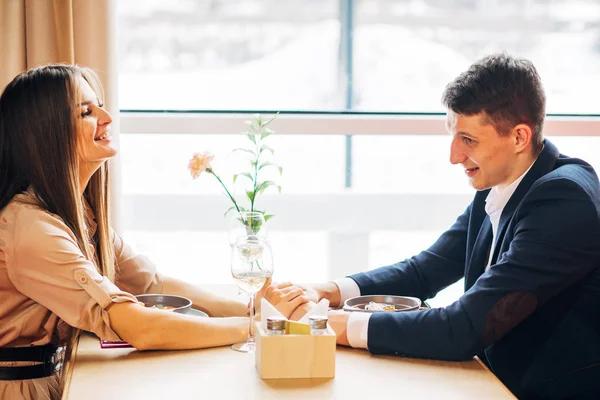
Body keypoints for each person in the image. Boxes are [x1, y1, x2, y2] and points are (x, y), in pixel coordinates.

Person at [290, 54, 600, 399]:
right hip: (491, 382)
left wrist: (332, 325)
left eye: (469, 140)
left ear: (519, 137)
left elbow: (463, 327)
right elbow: (427, 270)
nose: (454, 156)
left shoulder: (562, 200)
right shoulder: (502, 183)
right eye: (453, 136)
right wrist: (327, 291)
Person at [0, 65, 308, 400]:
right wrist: (256, 328)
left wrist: (251, 310)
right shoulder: (31, 229)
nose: (106, 117)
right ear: (46, 135)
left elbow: (150, 283)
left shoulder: (74, 214)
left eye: (99, 105)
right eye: (86, 112)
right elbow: (137, 326)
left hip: (54, 374)